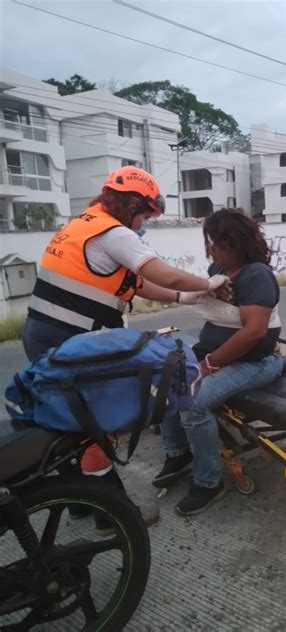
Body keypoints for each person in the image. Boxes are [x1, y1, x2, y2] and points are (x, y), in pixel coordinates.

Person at [22, 165, 229, 535]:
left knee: (65, 421)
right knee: (95, 430)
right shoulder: (113, 232)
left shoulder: (81, 225)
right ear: (134, 204)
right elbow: (161, 273)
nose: (145, 222)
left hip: (42, 336)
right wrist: (208, 283)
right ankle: (115, 517)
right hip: (74, 343)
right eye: (146, 214)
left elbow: (139, 285)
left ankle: (77, 503)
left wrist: (184, 296)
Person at [152, 208, 284, 516]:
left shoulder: (257, 275)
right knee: (165, 376)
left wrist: (208, 364)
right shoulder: (218, 269)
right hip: (216, 353)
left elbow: (254, 332)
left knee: (193, 403)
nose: (210, 249)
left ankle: (209, 482)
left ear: (235, 242)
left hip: (256, 362)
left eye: (216, 242)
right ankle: (179, 453)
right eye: (209, 242)